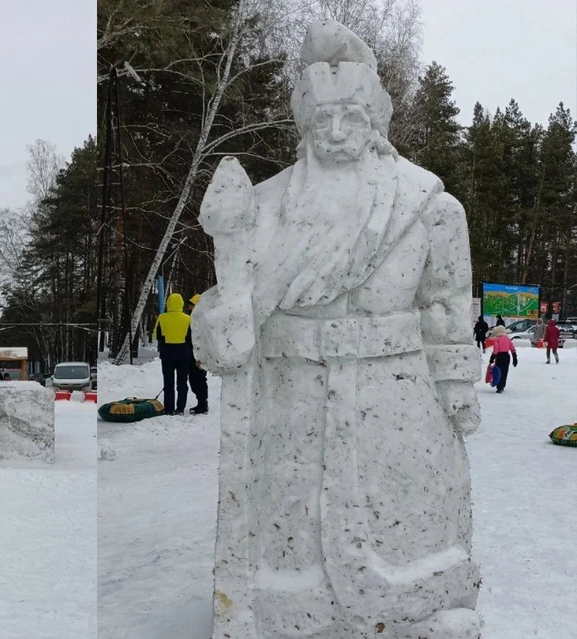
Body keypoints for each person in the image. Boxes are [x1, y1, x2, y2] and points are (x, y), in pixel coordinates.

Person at [192, 22, 482, 636]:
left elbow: (449, 306)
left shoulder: (426, 203)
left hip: (396, 398)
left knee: (403, 515)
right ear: (303, 118)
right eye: (322, 118)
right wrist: (223, 326)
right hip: (292, 400)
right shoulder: (264, 207)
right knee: (295, 530)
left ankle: (419, 609)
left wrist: (457, 387)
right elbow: (223, 315)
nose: (338, 132)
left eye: (351, 114)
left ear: (375, 112)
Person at [153, 293, 193, 415]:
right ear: (181, 303)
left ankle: (169, 409)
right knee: (182, 383)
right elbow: (192, 337)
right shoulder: (187, 319)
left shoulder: (162, 317)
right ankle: (180, 408)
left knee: (168, 382)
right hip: (184, 354)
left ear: (168, 303)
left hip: (167, 354)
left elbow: (156, 335)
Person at [186, 293, 209, 415]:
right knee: (195, 380)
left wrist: (202, 357)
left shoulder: (201, 320)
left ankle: (203, 404)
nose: (188, 306)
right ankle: (201, 403)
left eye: (191, 304)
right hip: (192, 354)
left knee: (198, 380)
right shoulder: (193, 319)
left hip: (198, 355)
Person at [488, 325, 517, 393]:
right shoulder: (508, 339)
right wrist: (514, 357)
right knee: (505, 372)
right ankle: (503, 385)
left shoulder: (497, 340)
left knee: (499, 372)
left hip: (499, 357)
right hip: (507, 356)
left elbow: (495, 351)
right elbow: (512, 348)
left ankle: (499, 387)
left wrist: (492, 358)